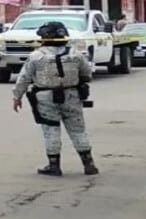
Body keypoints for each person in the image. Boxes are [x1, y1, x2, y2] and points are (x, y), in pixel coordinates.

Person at [12, 21, 98, 176]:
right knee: (78, 130)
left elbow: (24, 78)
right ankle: (89, 164)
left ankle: (54, 166)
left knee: (51, 130)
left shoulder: (36, 56)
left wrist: (17, 97)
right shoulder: (76, 55)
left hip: (45, 98)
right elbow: (87, 75)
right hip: (72, 96)